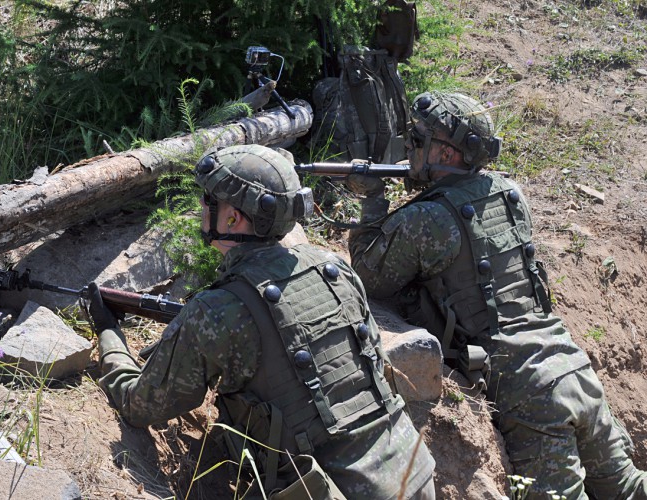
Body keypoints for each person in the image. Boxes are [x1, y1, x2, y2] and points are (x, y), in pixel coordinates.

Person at [88, 144, 436, 499]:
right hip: (413, 472)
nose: (200, 208)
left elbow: (139, 405)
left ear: (232, 218)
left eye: (208, 200)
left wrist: (109, 334)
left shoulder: (217, 310)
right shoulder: (335, 269)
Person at [347, 91, 647, 499]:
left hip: (530, 392)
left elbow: (369, 275)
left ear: (448, 155)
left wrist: (372, 200)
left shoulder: (429, 218)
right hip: (571, 363)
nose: (410, 147)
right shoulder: (509, 193)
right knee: (628, 488)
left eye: (419, 139)